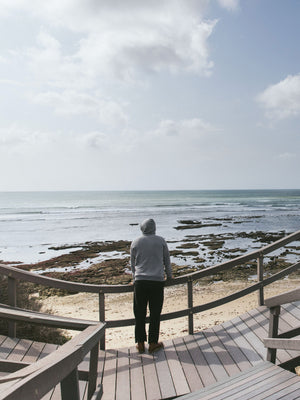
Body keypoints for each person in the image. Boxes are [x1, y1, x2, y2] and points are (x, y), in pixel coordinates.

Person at [130, 218, 173, 354]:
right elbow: (167, 260)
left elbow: (133, 264)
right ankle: (153, 343)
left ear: (142, 228)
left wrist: (134, 277)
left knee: (139, 313)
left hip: (140, 281)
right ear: (154, 228)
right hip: (157, 281)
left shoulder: (136, 242)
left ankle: (140, 343)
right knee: (155, 313)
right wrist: (170, 276)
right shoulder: (160, 241)